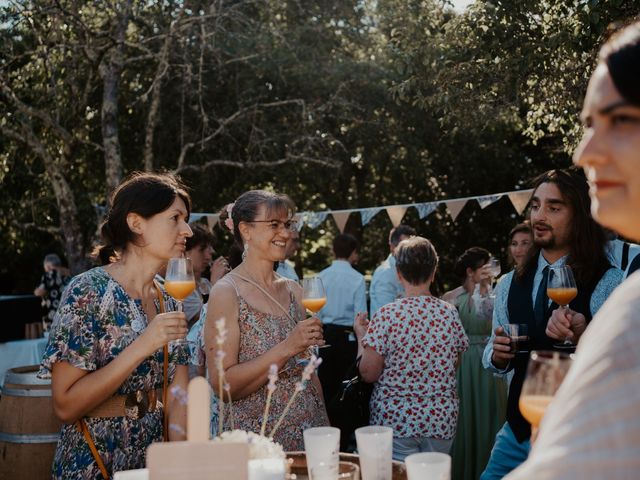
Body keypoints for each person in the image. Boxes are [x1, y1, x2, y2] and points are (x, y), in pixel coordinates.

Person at [506, 21, 640, 479]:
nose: (586, 152)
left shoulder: (626, 299)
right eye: (588, 125)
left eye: (621, 119)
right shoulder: (515, 279)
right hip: (518, 427)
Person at [38, 172, 192, 478]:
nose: (187, 230)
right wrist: (143, 346)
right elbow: (65, 406)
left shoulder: (171, 299)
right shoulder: (87, 291)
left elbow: (178, 399)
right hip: (93, 463)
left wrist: (182, 465)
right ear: (136, 223)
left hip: (153, 464)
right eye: (175, 218)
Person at [480, 168, 623, 479]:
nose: (539, 216)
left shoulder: (608, 281)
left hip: (575, 435)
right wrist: (497, 355)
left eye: (554, 207)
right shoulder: (507, 284)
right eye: (535, 205)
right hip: (516, 432)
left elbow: (620, 370)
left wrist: (585, 333)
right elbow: (492, 352)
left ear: (581, 216)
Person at [204, 190, 329, 451]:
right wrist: (287, 347)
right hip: (260, 442)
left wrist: (325, 430)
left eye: (287, 225)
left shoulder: (294, 291)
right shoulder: (227, 292)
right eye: (274, 225)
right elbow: (222, 385)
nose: (286, 233)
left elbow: (309, 371)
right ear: (246, 230)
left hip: (309, 432)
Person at [354, 236, 468, 461]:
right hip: (440, 421)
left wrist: (361, 337)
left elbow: (368, 373)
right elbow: (454, 364)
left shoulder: (387, 315)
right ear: (433, 272)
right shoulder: (449, 313)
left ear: (399, 274)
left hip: (395, 421)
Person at [443, 248, 508, 480]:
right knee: (466, 418)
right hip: (464, 364)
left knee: (489, 414)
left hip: (489, 363)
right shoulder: (452, 298)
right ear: (471, 272)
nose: (489, 269)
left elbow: (497, 323)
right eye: (484, 266)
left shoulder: (496, 295)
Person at [317, 233, 368, 416]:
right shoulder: (358, 278)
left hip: (326, 335)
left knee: (326, 384)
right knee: (347, 384)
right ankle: (346, 430)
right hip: (349, 337)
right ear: (353, 252)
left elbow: (316, 312)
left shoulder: (321, 276)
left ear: (333, 251)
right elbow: (360, 315)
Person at [182, 224, 228, 326]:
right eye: (202, 250)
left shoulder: (205, 283)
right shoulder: (181, 286)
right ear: (185, 252)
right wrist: (216, 283)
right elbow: (205, 318)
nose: (208, 256)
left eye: (210, 250)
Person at [369, 225, 416, 316]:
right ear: (392, 247)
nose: (410, 251)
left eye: (413, 246)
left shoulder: (410, 268)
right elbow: (386, 314)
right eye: (404, 246)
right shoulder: (385, 274)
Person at [34, 253, 70, 328]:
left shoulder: (49, 275)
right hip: (68, 314)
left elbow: (39, 293)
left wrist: (36, 290)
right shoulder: (68, 274)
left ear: (48, 265)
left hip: (53, 315)